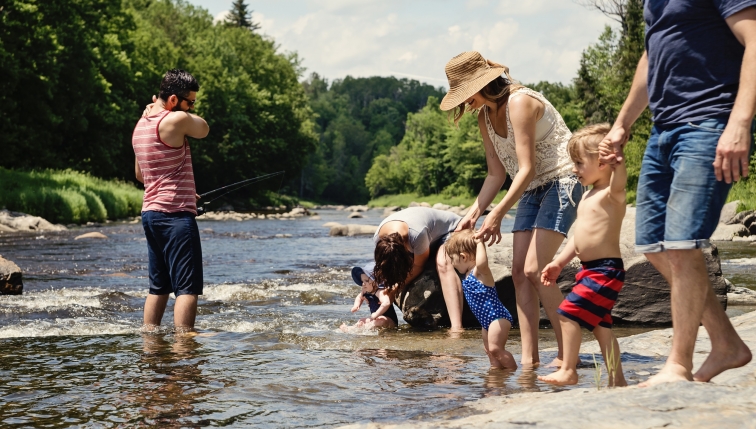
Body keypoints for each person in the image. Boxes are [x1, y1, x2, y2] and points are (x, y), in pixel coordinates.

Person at [600, 0, 754, 386]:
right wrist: (622, 124)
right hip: (663, 131)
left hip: (709, 122)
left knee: (682, 244)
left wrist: (739, 123)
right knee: (653, 244)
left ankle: (678, 365)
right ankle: (725, 344)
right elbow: (651, 56)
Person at [440, 51, 583, 366]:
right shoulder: (483, 117)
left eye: (466, 95)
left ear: (483, 84)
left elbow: (527, 167)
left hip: (563, 181)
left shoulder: (520, 103)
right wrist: (474, 213)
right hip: (532, 187)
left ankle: (567, 351)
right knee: (519, 273)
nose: (465, 104)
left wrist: (498, 214)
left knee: (535, 270)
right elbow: (496, 174)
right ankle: (530, 359)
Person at [537, 124, 627, 386]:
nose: (574, 169)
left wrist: (617, 162)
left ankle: (568, 370)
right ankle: (617, 379)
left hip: (605, 270)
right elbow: (578, 238)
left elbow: (620, 180)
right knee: (602, 328)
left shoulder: (612, 194)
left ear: (603, 163)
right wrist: (559, 261)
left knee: (567, 313)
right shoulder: (587, 196)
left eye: (578, 163)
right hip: (590, 269)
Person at [133, 69, 210, 333]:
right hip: (176, 216)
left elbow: (141, 175)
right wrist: (175, 112)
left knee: (159, 287)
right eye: (191, 102)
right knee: (187, 288)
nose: (192, 107)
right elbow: (204, 129)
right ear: (175, 100)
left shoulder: (141, 126)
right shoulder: (175, 120)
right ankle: (184, 346)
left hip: (151, 214)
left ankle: (150, 340)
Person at [372, 207, 461, 328]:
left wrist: (396, 288)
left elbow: (419, 265)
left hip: (453, 229)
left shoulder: (417, 234)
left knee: (442, 263)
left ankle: (457, 326)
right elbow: (383, 267)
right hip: (429, 237)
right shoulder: (379, 238)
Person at [446, 229, 517, 370]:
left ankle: (514, 373)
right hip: (486, 322)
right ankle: (497, 374)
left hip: (497, 318)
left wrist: (480, 243)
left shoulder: (479, 272)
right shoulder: (466, 274)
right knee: (490, 351)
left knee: (496, 349)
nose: (452, 264)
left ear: (463, 257)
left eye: (453, 260)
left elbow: (483, 262)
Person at [340, 262, 398, 331]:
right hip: (375, 318)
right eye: (362, 281)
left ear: (376, 281)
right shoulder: (366, 291)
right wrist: (356, 305)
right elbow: (359, 297)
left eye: (366, 281)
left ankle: (366, 328)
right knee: (362, 320)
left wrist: (376, 314)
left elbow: (386, 303)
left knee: (381, 320)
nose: (363, 284)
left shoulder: (380, 292)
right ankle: (351, 328)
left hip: (389, 320)